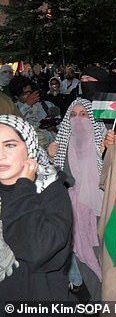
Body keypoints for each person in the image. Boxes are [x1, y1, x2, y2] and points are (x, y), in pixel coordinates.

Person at [0, 114, 73, 301]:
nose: (1, 155)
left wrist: (24, 186)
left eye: (10, 145)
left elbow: (38, 251)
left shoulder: (51, 190)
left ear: (29, 148)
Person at [48, 99, 106, 301]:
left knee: (106, 260)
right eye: (73, 115)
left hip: (103, 212)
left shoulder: (104, 143)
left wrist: (106, 151)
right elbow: (54, 184)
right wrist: (51, 161)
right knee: (84, 261)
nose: (78, 119)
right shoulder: (60, 147)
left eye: (84, 115)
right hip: (73, 217)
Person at [8, 76, 58, 148]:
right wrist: (27, 105)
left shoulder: (46, 105)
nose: (29, 95)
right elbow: (13, 128)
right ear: (16, 97)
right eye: (25, 93)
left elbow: (61, 127)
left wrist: (54, 128)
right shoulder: (13, 110)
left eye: (30, 92)